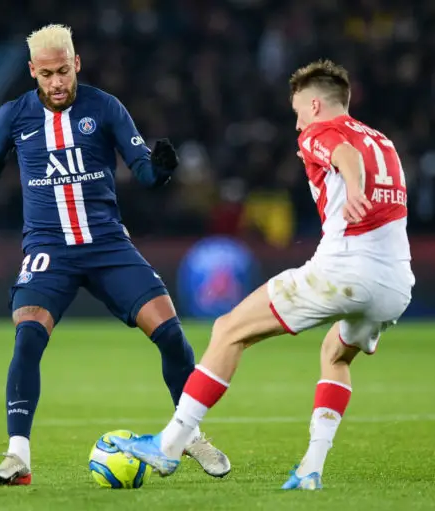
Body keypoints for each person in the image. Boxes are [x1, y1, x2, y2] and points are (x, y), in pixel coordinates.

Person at [0, 24, 230, 486]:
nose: (57, 83)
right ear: (33, 71)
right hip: (49, 249)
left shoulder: (105, 107)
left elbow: (143, 172)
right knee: (28, 337)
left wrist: (162, 170)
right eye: (47, 74)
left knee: (170, 334)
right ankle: (17, 457)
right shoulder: (13, 116)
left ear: (77, 64)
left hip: (107, 244)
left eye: (64, 71)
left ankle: (188, 435)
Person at [110, 59, 415, 490]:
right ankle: (310, 468)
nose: (298, 125)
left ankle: (169, 444)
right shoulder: (383, 141)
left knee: (229, 330)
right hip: (396, 284)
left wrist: (353, 188)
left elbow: (344, 155)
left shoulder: (320, 132)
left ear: (314, 105)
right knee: (336, 355)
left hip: (345, 269)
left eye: (298, 112)